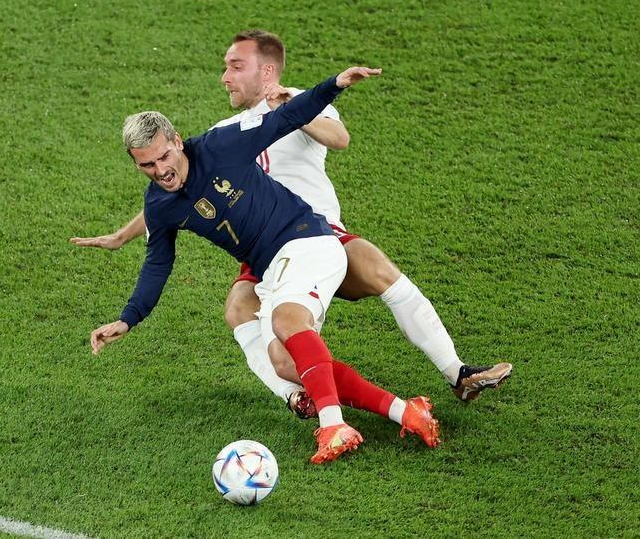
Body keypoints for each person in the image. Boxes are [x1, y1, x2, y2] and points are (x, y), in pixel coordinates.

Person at [72, 30, 512, 415]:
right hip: (265, 251)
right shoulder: (225, 130)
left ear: (266, 71)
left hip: (318, 235)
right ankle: (298, 397)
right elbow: (180, 187)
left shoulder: (299, 103)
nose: (224, 76)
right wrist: (126, 234)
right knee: (240, 312)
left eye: (234, 66)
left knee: (381, 273)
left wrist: (299, 107)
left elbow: (339, 140)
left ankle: (457, 374)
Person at [81, 67, 441, 464]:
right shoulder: (161, 205)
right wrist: (128, 319)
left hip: (309, 239)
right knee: (288, 363)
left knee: (288, 322)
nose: (161, 171)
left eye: (164, 156)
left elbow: (285, 117)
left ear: (177, 142)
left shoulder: (220, 146)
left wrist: (334, 85)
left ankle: (333, 425)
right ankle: (406, 411)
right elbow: (157, 265)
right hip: (275, 266)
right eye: (147, 166)